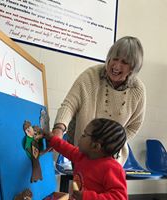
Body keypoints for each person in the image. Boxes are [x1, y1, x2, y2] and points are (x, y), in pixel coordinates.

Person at [53, 36, 146, 165]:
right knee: (80, 185)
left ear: (132, 68)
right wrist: (58, 129)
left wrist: (113, 143)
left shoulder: (138, 90)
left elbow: (134, 126)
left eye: (124, 62)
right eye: (114, 58)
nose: (116, 65)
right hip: (83, 152)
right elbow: (69, 104)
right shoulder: (91, 75)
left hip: (112, 158)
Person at [44, 118, 128, 200]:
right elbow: (66, 148)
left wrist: (86, 197)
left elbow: (120, 197)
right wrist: (52, 138)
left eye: (84, 135)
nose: (80, 137)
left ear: (95, 146)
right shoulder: (82, 156)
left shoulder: (112, 168)